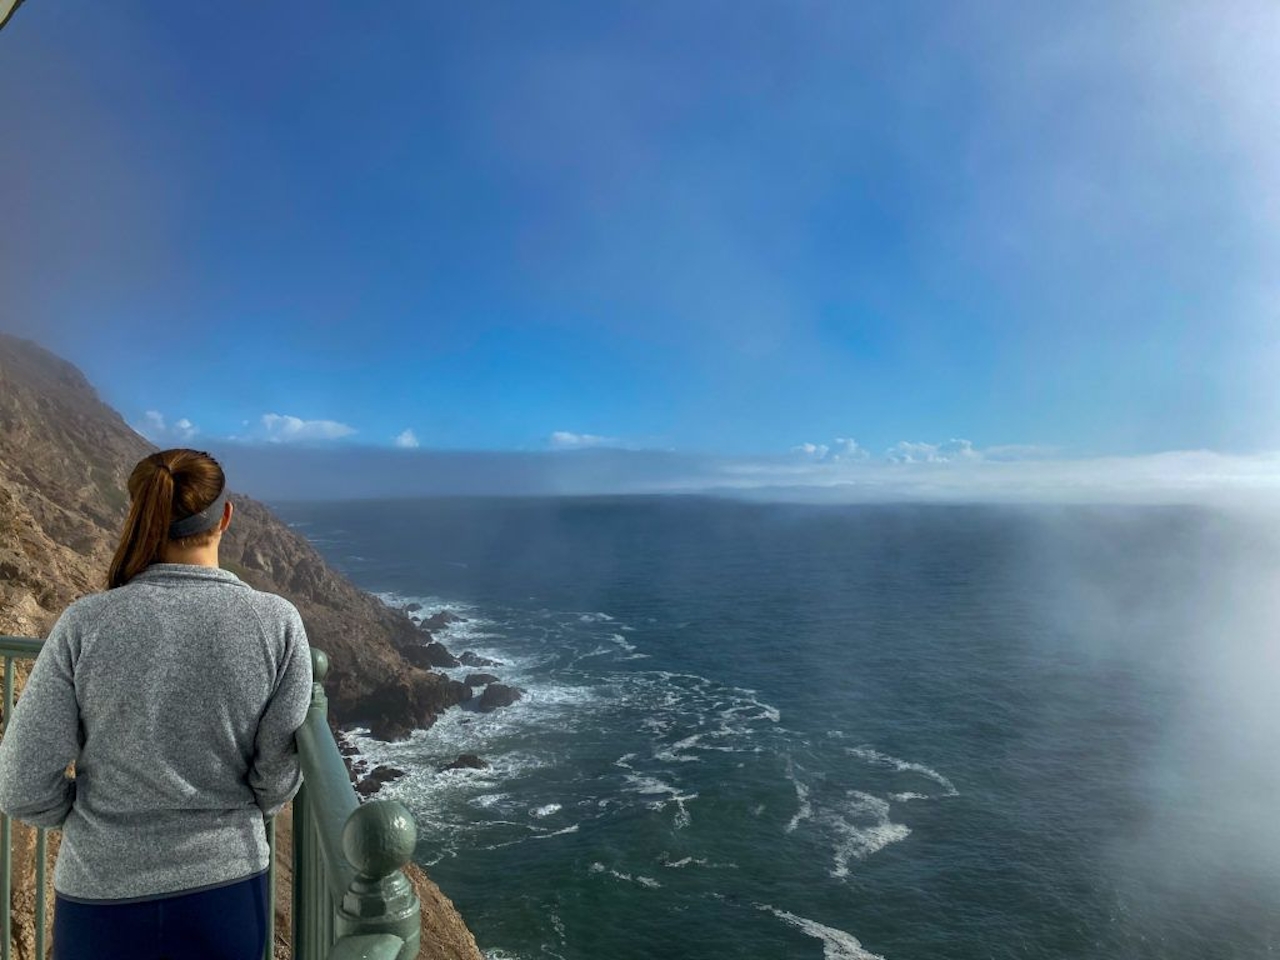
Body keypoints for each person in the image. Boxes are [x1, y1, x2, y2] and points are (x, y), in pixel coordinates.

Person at [0, 449, 313, 960]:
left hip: (98, 899)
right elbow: (276, 783)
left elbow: (20, 785)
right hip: (225, 894)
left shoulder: (85, 623)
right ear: (226, 518)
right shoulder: (275, 623)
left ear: (142, 514)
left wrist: (96, 821)